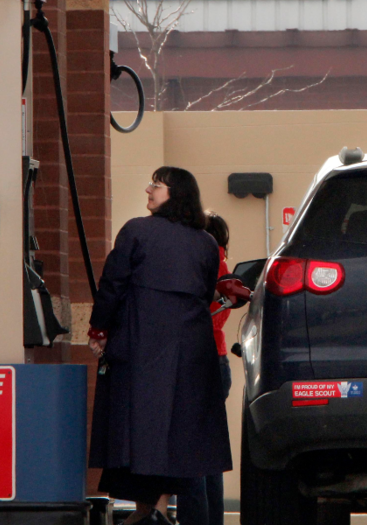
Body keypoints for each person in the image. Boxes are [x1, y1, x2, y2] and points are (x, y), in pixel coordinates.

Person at [87, 167, 233, 525]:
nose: (148, 190)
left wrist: (99, 330)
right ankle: (159, 509)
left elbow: (112, 284)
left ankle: (144, 513)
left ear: (176, 194)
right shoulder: (207, 243)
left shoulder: (136, 230)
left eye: (157, 185)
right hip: (192, 353)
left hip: (139, 346)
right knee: (178, 430)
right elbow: (204, 295)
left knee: (135, 428)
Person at [176, 211, 232, 525]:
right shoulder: (221, 265)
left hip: (197, 361)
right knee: (209, 455)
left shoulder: (202, 263)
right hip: (217, 358)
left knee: (189, 454)